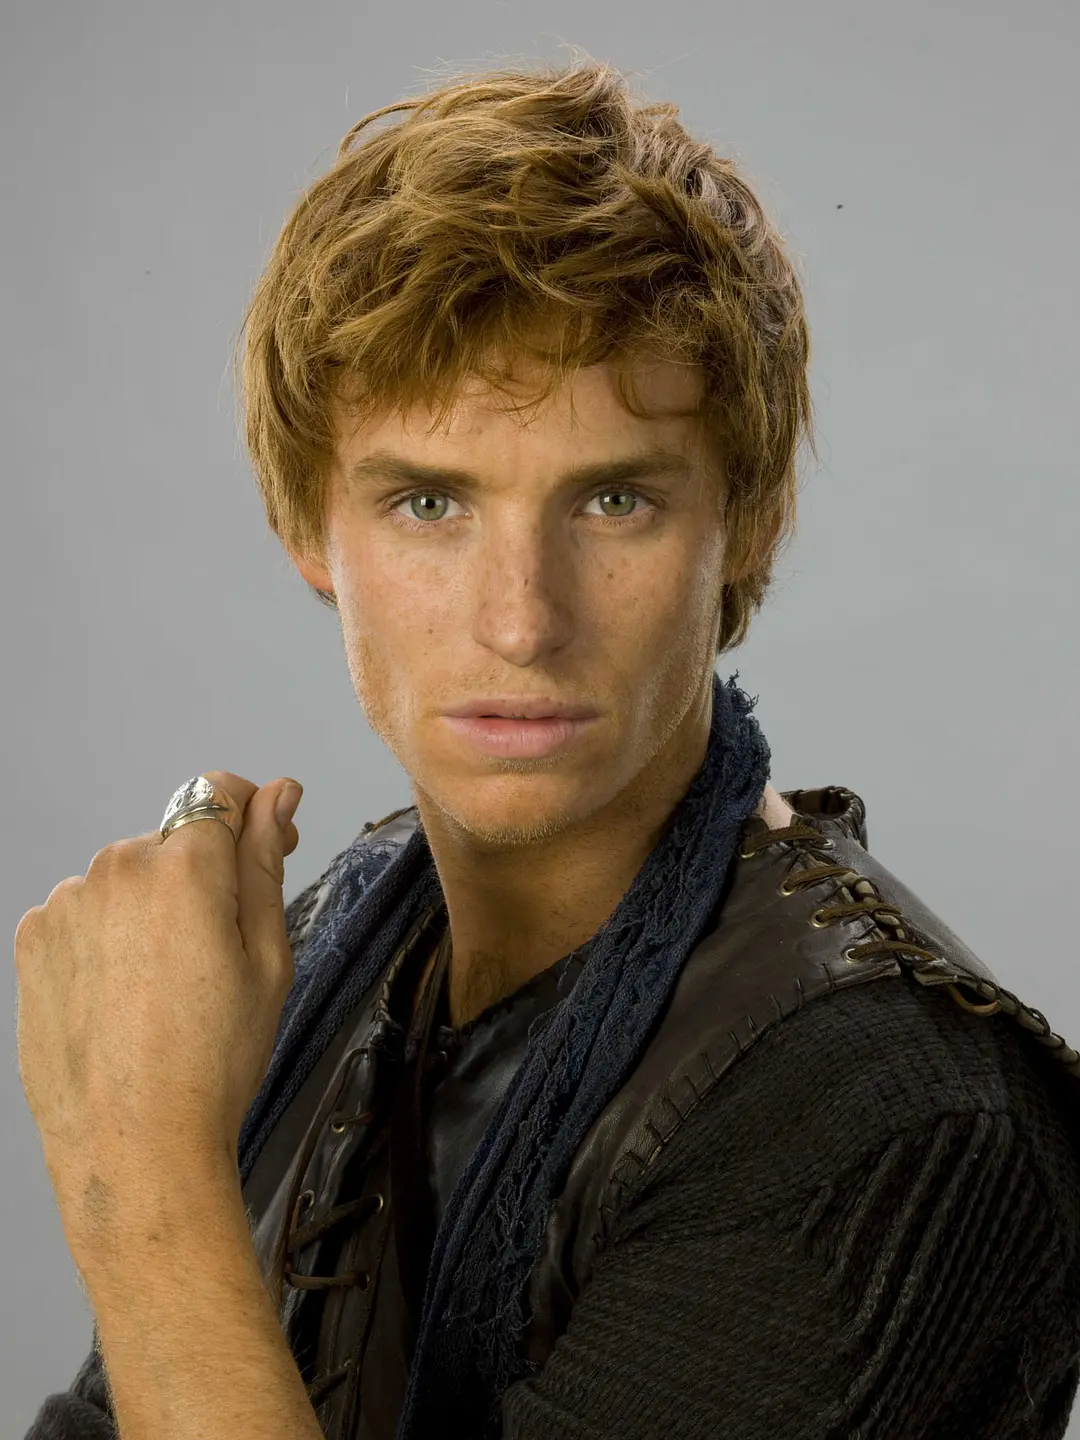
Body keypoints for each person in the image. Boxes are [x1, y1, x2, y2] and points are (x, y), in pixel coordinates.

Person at [25, 54, 1080, 1440]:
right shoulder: (336, 945)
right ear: (305, 528)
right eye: (429, 505)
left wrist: (146, 1183)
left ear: (748, 522)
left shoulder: (893, 1120)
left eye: (614, 501)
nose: (522, 621)